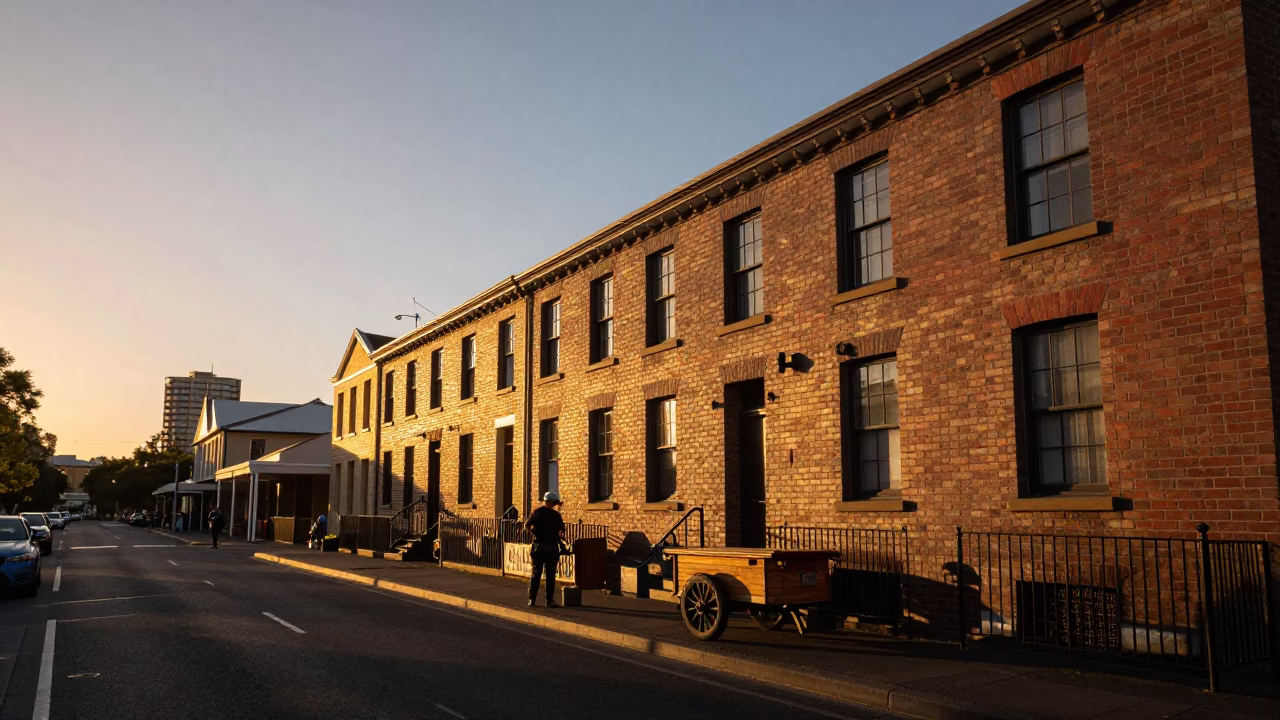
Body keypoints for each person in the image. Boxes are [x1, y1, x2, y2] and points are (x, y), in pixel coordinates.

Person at [525, 491, 567, 608]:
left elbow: (526, 526)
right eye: (555, 503)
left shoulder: (536, 512)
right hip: (551, 549)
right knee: (550, 576)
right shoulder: (556, 515)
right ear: (552, 502)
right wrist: (561, 537)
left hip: (538, 548)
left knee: (535, 575)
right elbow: (561, 532)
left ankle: (532, 599)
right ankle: (549, 600)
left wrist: (535, 533)